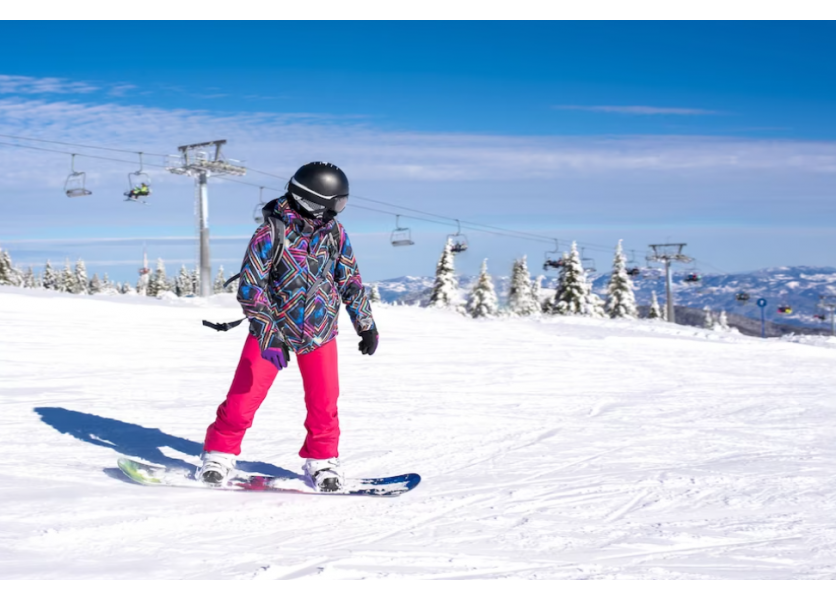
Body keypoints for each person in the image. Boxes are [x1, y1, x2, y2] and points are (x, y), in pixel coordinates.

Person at [197, 162, 378, 492]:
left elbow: (349, 280)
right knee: (242, 399)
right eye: (335, 203)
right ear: (312, 201)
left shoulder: (335, 234)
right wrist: (270, 334)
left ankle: (322, 461)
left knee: (324, 403)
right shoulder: (271, 233)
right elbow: (251, 287)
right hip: (273, 331)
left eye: (341, 204)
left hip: (320, 331)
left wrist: (365, 325)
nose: (337, 211)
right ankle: (219, 453)